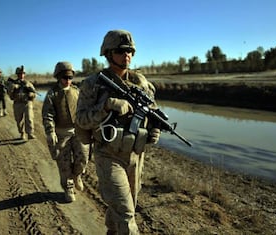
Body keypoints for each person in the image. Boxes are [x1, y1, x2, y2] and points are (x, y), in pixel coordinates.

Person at [75, 29, 161, 234]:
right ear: (108, 53)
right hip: (108, 155)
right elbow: (81, 120)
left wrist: (155, 128)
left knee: (122, 210)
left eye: (131, 51)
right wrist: (106, 106)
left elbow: (154, 111)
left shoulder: (142, 83)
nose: (127, 55)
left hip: (135, 157)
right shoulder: (92, 84)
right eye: (122, 51)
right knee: (125, 213)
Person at [42, 61, 89, 202]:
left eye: (70, 78)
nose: (67, 81)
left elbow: (84, 110)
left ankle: (77, 175)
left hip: (79, 131)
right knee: (64, 163)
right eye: (65, 78)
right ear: (58, 77)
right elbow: (47, 115)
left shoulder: (76, 91)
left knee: (83, 158)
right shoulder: (52, 94)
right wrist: (50, 132)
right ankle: (68, 187)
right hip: (61, 133)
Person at [8, 65, 37, 140]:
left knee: (29, 118)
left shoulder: (28, 83)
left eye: (23, 73)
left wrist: (32, 94)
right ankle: (22, 133)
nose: (21, 75)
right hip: (17, 103)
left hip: (27, 103)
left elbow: (34, 93)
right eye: (20, 74)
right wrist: (13, 88)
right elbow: (10, 96)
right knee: (19, 120)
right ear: (17, 74)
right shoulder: (13, 84)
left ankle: (30, 133)